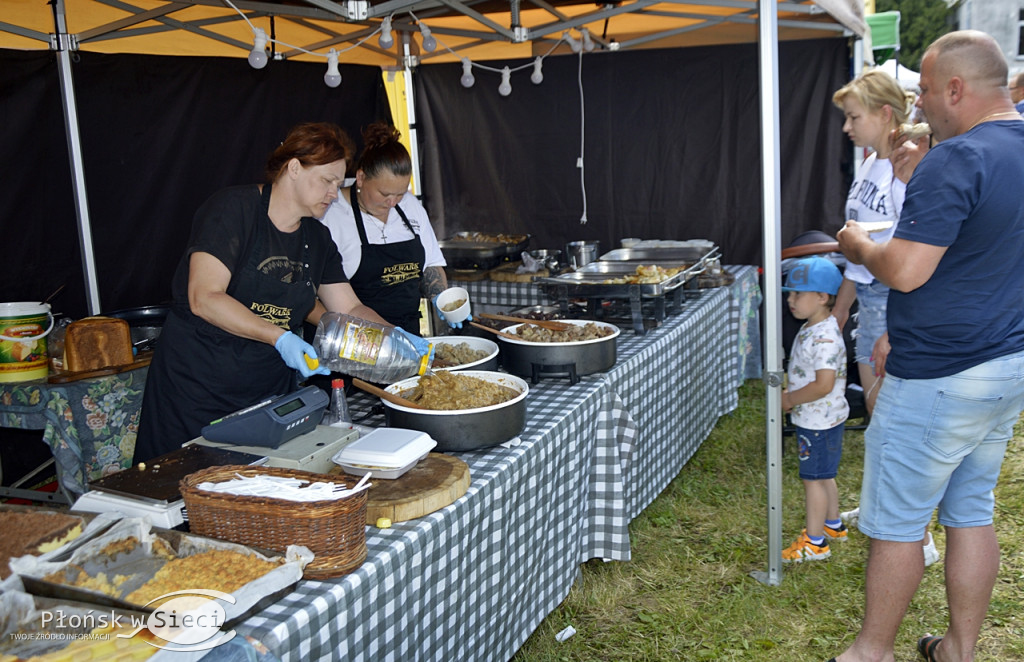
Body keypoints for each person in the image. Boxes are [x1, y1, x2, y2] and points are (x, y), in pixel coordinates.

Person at [831, 30, 1024, 662]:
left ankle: (871, 652)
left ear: (956, 89)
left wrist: (856, 244)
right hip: (1004, 364)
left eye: (924, 89)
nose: (918, 104)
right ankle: (958, 650)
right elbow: (983, 255)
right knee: (971, 509)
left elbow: (907, 270)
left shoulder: (958, 158)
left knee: (896, 523)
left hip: (941, 375)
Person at [135, 122, 427, 462]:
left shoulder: (317, 239)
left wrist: (395, 338)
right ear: (293, 168)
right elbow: (205, 297)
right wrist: (280, 338)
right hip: (197, 390)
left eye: (338, 183)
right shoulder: (235, 210)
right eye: (327, 181)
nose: (335, 193)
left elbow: (349, 308)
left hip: (267, 396)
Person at [829, 70, 940, 567]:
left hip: (893, 304)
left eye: (854, 117)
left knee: (894, 422)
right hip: (872, 301)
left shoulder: (903, 166)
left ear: (885, 114)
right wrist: (841, 306)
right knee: (880, 421)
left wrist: (899, 327)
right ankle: (884, 510)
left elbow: (914, 253)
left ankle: (918, 536)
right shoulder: (872, 162)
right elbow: (861, 245)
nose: (848, 127)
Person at [320, 121, 459, 335]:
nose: (393, 202)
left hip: (409, 335)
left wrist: (442, 298)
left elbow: (431, 263)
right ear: (361, 177)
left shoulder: (410, 205)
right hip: (353, 342)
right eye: (384, 194)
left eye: (400, 193)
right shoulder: (330, 212)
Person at [780, 257, 849, 563]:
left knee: (813, 480)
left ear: (822, 297)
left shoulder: (823, 338)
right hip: (824, 418)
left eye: (797, 294)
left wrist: (791, 399)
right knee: (824, 475)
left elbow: (823, 384)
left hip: (817, 420)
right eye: (789, 293)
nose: (789, 300)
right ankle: (833, 525)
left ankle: (815, 542)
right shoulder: (817, 325)